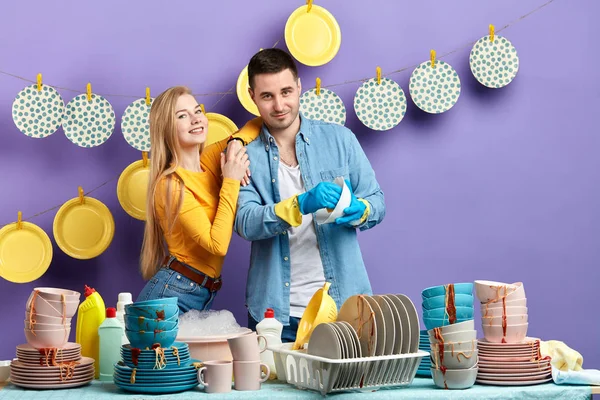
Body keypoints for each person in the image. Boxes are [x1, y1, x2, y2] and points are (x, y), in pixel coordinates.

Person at [234, 49, 386, 342]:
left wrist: (362, 209)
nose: (280, 105)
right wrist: (300, 204)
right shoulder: (242, 157)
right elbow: (245, 222)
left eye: (286, 91)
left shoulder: (341, 139)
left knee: (352, 385)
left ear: (300, 87)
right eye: (267, 96)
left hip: (345, 309)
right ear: (252, 96)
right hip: (275, 316)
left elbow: (378, 201)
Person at [137, 86, 252, 313]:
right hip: (171, 294)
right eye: (182, 116)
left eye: (197, 111)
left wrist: (235, 142)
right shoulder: (170, 184)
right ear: (166, 129)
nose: (195, 119)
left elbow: (256, 125)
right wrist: (230, 179)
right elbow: (217, 245)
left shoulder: (208, 160)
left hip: (201, 292)